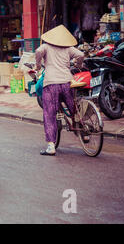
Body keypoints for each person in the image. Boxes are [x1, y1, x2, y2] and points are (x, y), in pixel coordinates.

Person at [35, 25, 84, 156]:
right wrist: (78, 65)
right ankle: (83, 132)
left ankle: (51, 146)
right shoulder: (68, 48)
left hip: (51, 84)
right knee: (73, 109)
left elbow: (38, 52)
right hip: (67, 82)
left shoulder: (46, 46)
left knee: (49, 114)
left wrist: (38, 66)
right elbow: (81, 54)